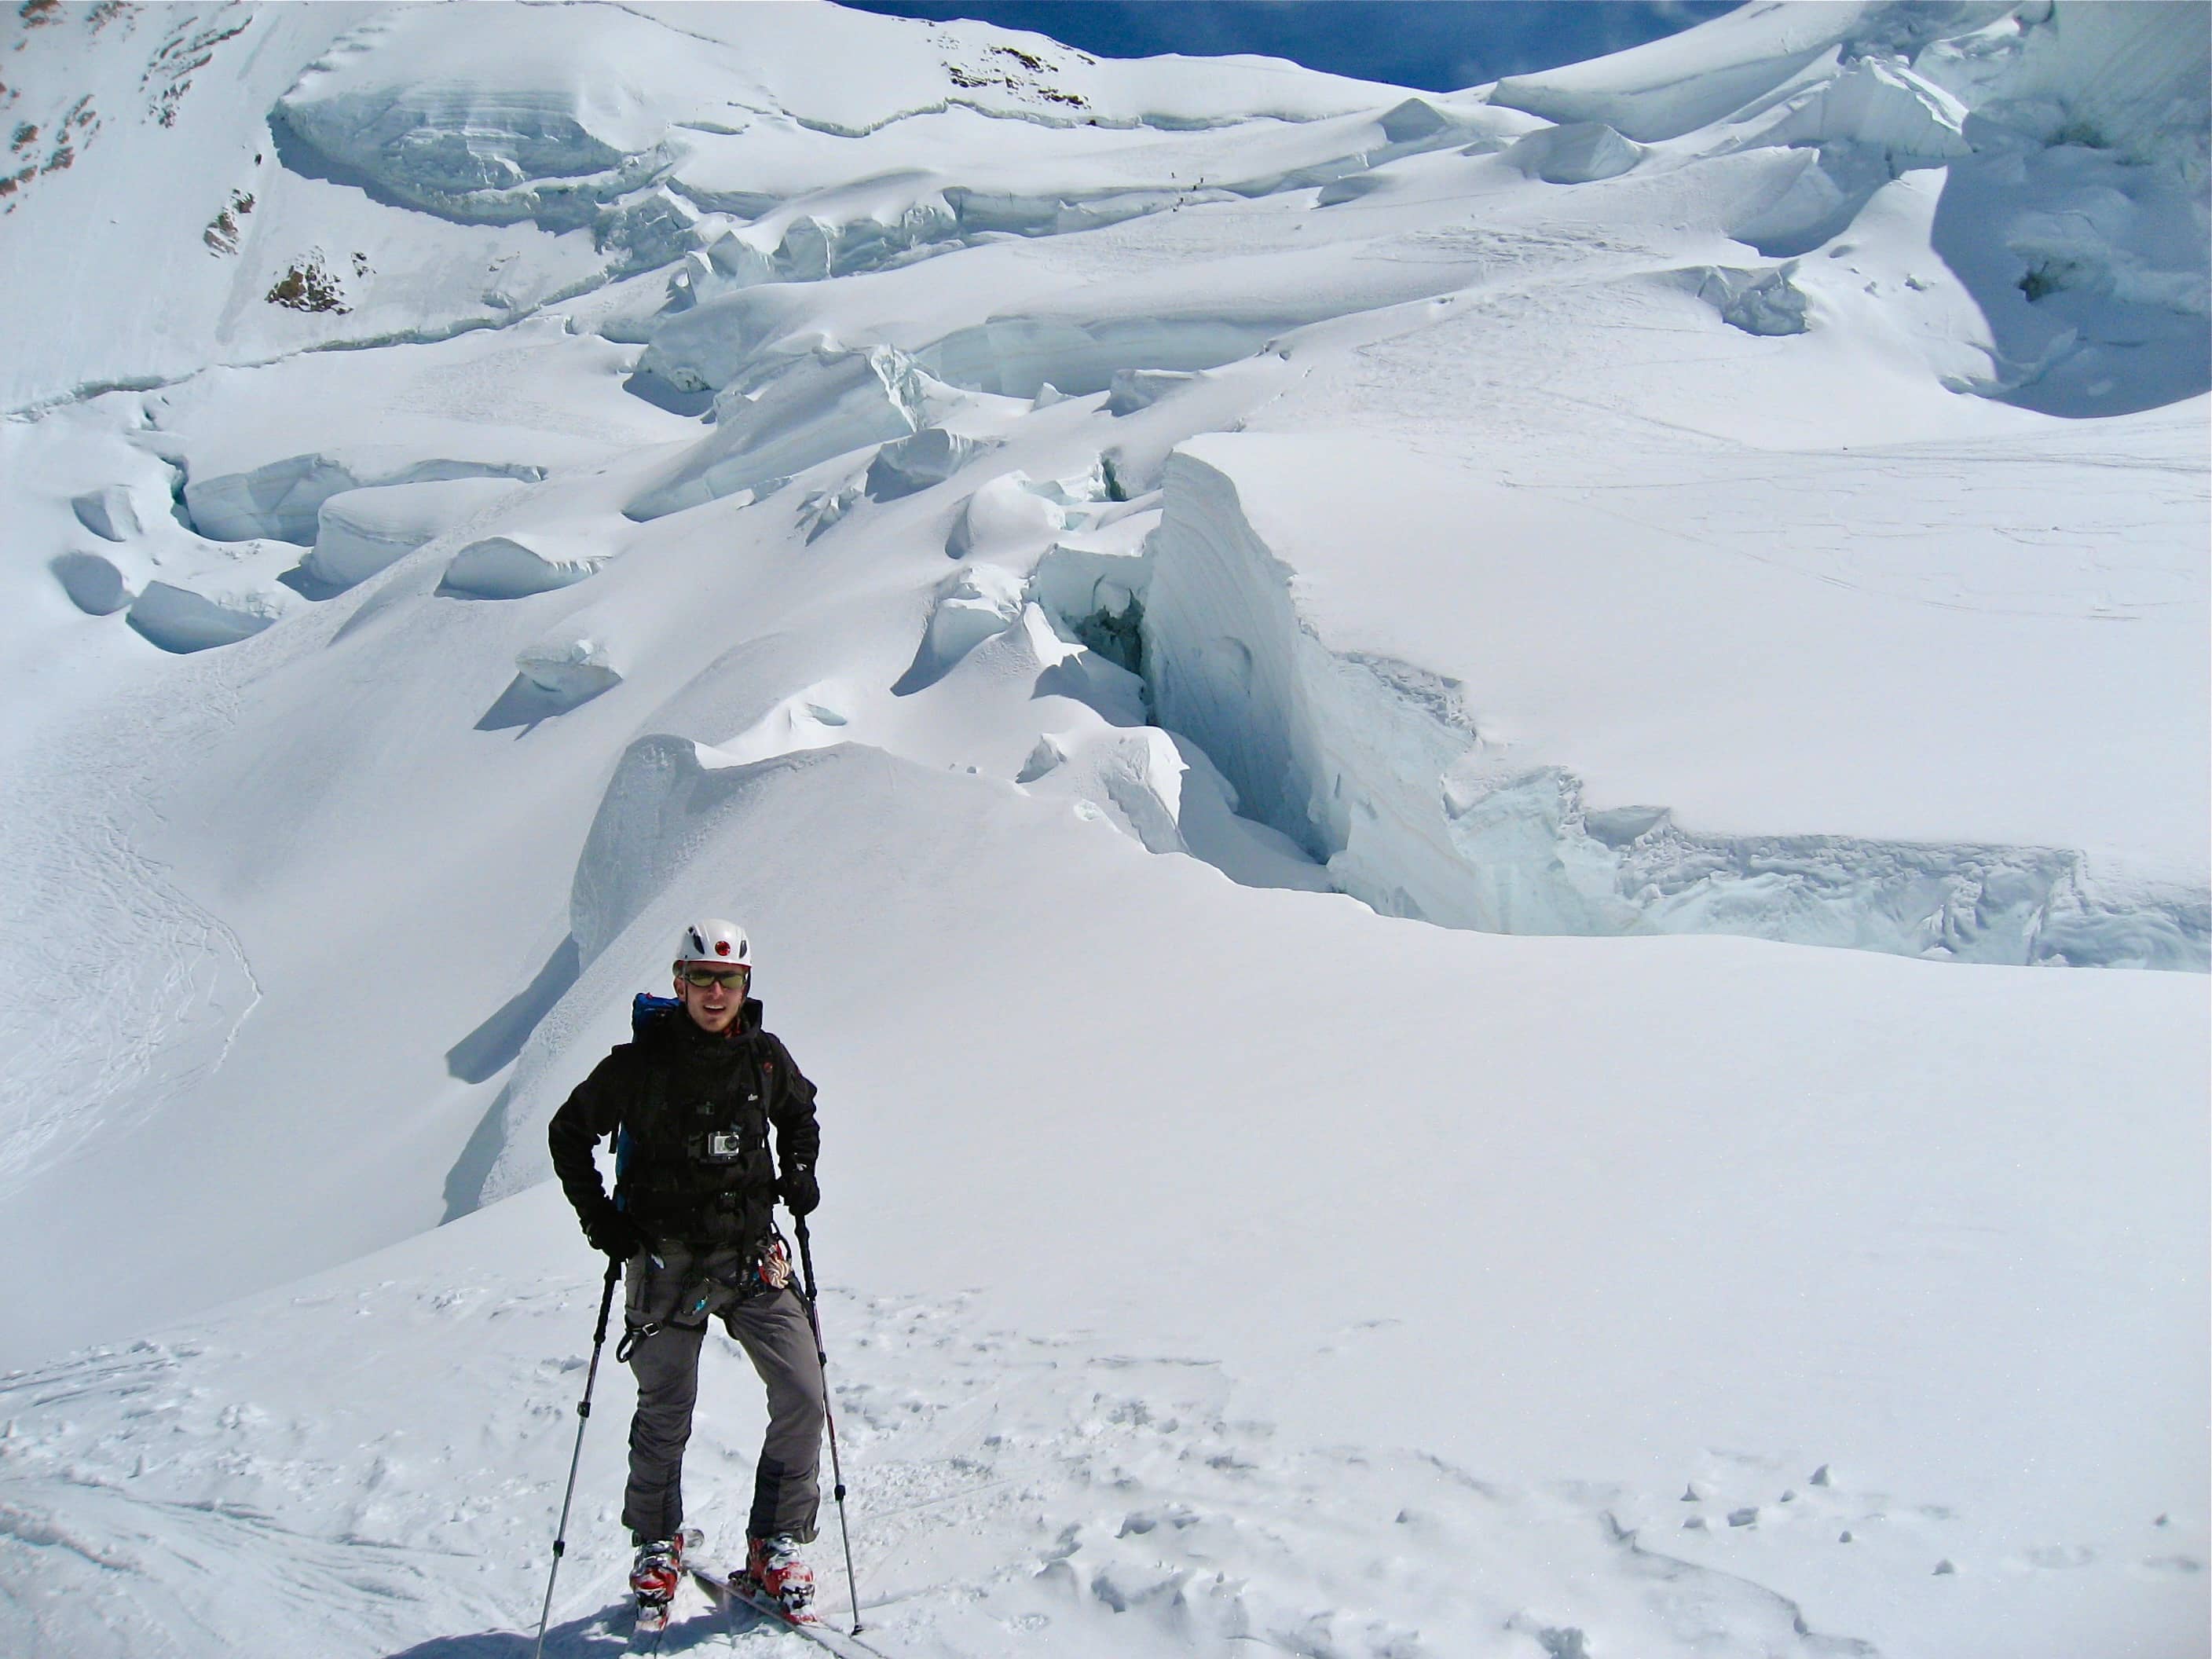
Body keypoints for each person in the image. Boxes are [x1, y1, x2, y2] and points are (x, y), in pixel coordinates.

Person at [548, 918, 825, 1627]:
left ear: (744, 987)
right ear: (679, 983)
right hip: (665, 1258)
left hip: (749, 1253)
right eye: (701, 978)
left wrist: (798, 1170)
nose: (714, 991)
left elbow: (801, 1115)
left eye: (727, 980)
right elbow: (568, 1132)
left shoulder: (764, 1059)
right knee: (666, 1409)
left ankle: (777, 1540)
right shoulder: (638, 1065)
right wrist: (600, 1220)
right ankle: (656, 1541)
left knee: (801, 1387)